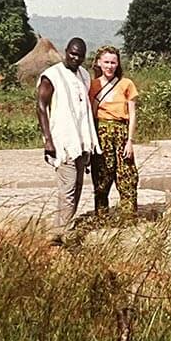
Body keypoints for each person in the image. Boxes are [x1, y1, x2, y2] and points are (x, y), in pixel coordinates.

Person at [36, 37, 100, 231]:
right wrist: (48, 140)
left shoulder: (83, 75)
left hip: (80, 141)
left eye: (80, 56)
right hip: (63, 142)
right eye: (72, 54)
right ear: (65, 51)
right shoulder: (51, 76)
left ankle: (64, 227)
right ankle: (59, 233)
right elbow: (40, 106)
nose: (76, 58)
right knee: (68, 188)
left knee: (78, 186)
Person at [89, 46, 139, 217]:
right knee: (102, 175)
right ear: (99, 63)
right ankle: (101, 216)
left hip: (121, 132)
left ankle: (128, 217)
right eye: (106, 62)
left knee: (127, 175)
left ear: (118, 64)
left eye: (113, 62)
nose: (110, 66)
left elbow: (132, 113)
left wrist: (130, 141)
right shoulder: (92, 85)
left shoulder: (127, 84)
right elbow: (90, 113)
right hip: (101, 132)